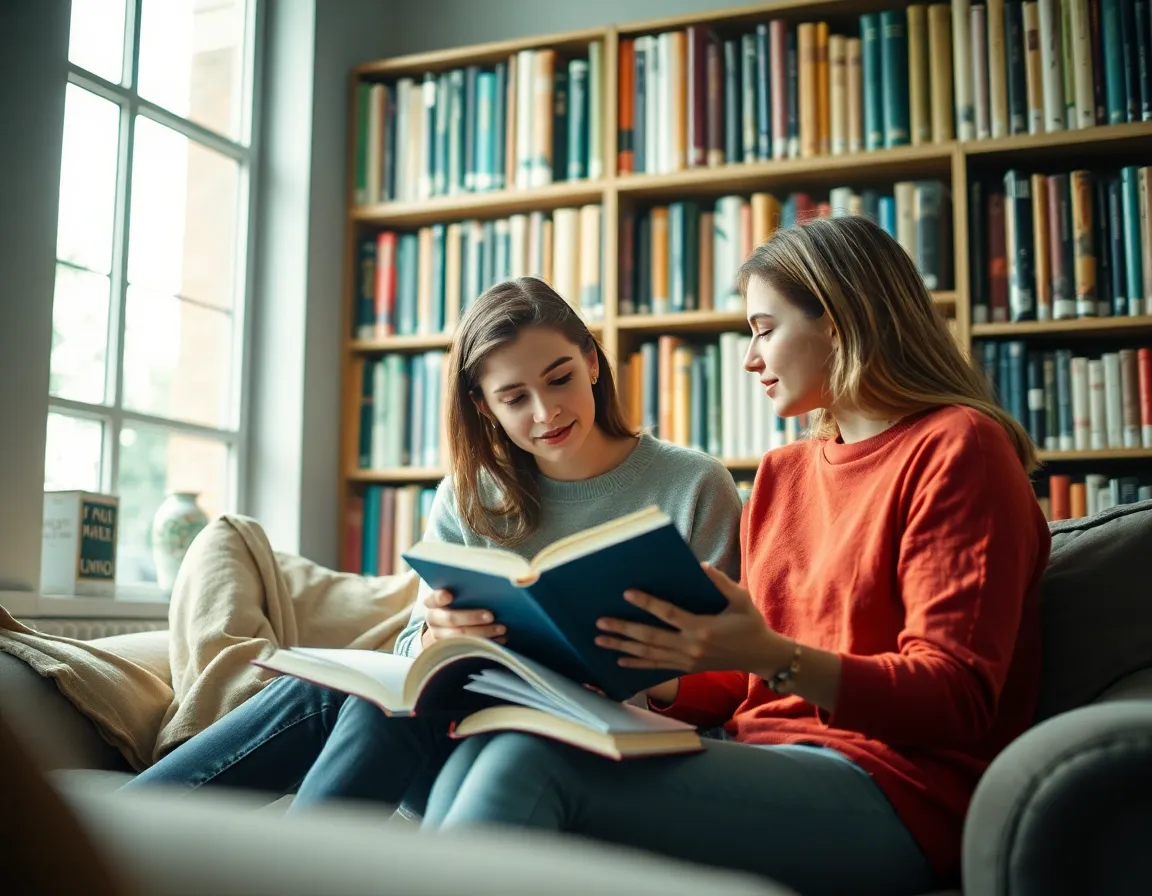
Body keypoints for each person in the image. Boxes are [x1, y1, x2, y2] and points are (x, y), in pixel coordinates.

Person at [416, 217, 1052, 896]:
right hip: (767, 762)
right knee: (485, 748)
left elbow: (955, 697)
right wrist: (647, 662)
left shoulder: (959, 448)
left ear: (836, 320)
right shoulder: (784, 474)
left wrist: (771, 656)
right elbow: (738, 688)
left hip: (896, 792)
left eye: (763, 328)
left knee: (529, 763)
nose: (750, 358)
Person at [125, 276, 743, 816]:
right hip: (470, 732)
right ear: (483, 406)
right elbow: (408, 650)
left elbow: (736, 679)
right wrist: (433, 636)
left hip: (612, 744)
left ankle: (128, 833)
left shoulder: (692, 484)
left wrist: (651, 672)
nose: (546, 411)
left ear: (593, 361)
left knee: (373, 710)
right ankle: (113, 834)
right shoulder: (471, 494)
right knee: (349, 690)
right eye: (514, 398)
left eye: (561, 378)